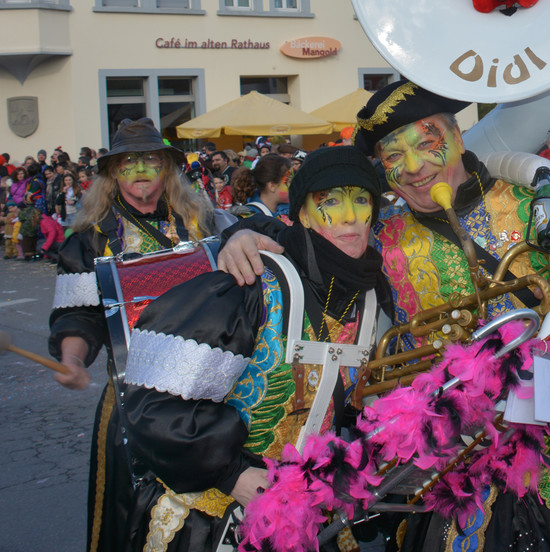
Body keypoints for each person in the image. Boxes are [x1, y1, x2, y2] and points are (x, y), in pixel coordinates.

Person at [220, 81, 550, 551]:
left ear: (458, 137)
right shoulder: (379, 235)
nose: (414, 167)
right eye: (394, 155)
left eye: (427, 143)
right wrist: (243, 234)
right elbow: (311, 236)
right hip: (452, 483)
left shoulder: (542, 201)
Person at [121, 147, 393, 551]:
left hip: (308, 519)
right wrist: (233, 475)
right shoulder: (248, 284)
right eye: (331, 201)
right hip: (210, 520)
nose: (350, 216)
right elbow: (153, 405)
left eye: (361, 200)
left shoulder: (373, 293)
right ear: (302, 214)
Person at [47, 117, 215, 552]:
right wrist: (71, 358)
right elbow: (77, 316)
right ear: (112, 172)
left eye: (151, 159)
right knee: (129, 517)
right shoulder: (89, 240)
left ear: (166, 168)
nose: (140, 170)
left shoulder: (202, 222)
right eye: (128, 161)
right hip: (134, 398)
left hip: (210, 389)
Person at [231, 153, 292, 221]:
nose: (292, 185)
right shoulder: (248, 219)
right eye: (287, 181)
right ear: (272, 186)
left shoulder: (291, 213)